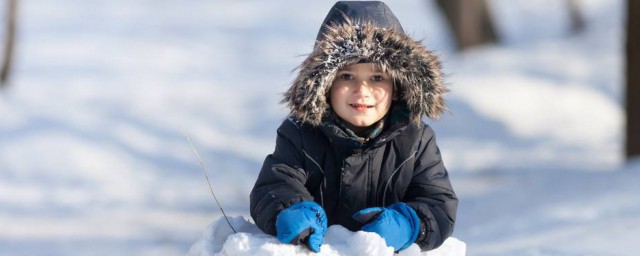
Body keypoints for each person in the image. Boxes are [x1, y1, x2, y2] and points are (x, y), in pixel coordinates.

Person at [250, 1, 457, 252]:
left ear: (397, 87)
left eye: (377, 78)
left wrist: (407, 223)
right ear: (325, 84)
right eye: (347, 76)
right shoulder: (300, 133)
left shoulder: (415, 140)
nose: (362, 90)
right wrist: (292, 210)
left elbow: (438, 201)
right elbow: (275, 184)